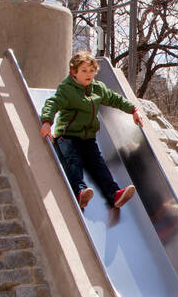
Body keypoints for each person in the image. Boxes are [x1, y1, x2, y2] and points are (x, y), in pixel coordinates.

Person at [39, 52, 144, 209]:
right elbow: (52, 103)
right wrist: (47, 122)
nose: (89, 74)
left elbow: (115, 99)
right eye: (84, 70)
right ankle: (80, 192)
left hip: (88, 137)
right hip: (67, 136)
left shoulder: (98, 88)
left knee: (98, 164)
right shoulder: (67, 89)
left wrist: (133, 110)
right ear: (74, 72)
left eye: (91, 70)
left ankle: (115, 194)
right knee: (73, 161)